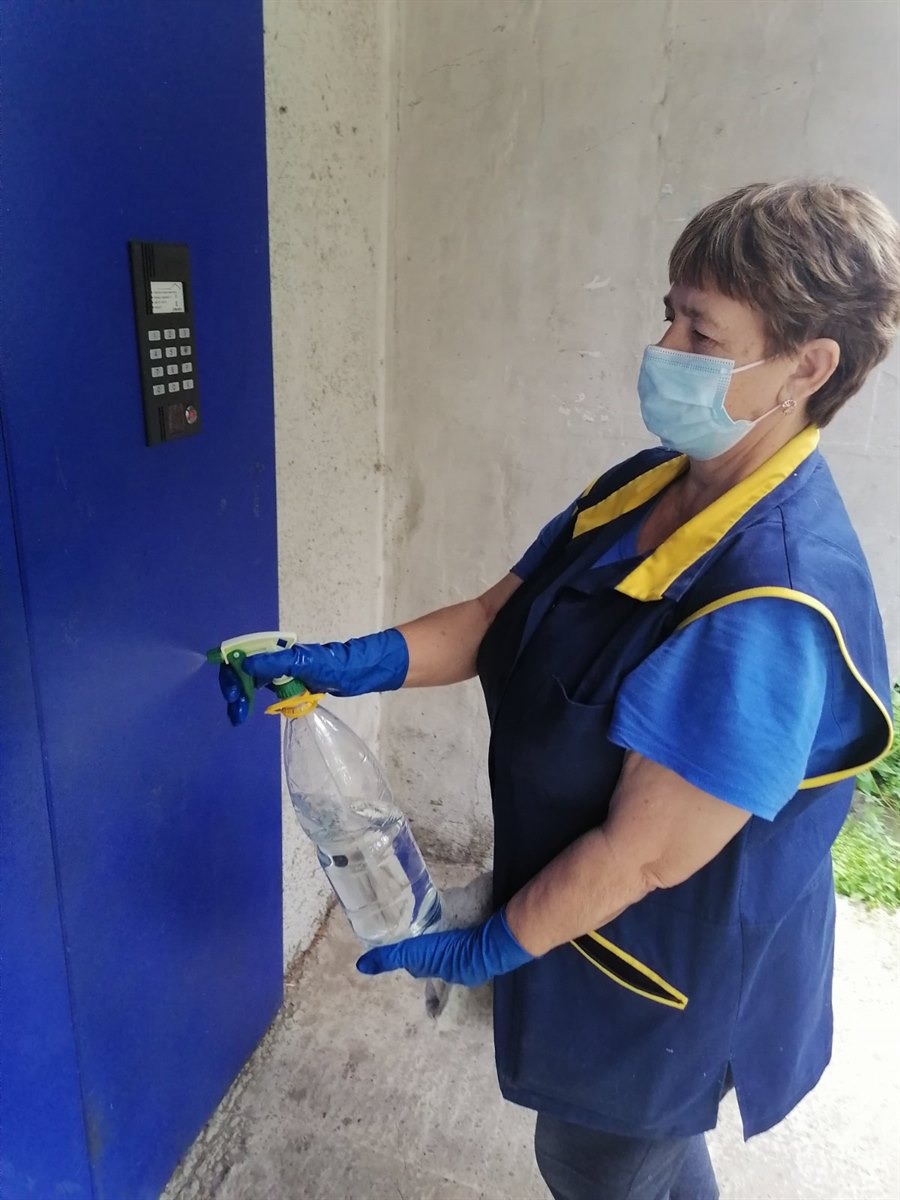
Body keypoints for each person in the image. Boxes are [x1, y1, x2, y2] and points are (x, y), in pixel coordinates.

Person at [220, 181, 900, 1200]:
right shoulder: (650, 482)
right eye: (668, 313)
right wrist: (351, 660)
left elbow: (642, 855)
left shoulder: (770, 609)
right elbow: (496, 616)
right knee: (629, 1161)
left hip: (666, 963)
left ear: (807, 367)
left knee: (601, 1159)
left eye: (700, 330)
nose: (663, 346)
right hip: (587, 900)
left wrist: (490, 947)